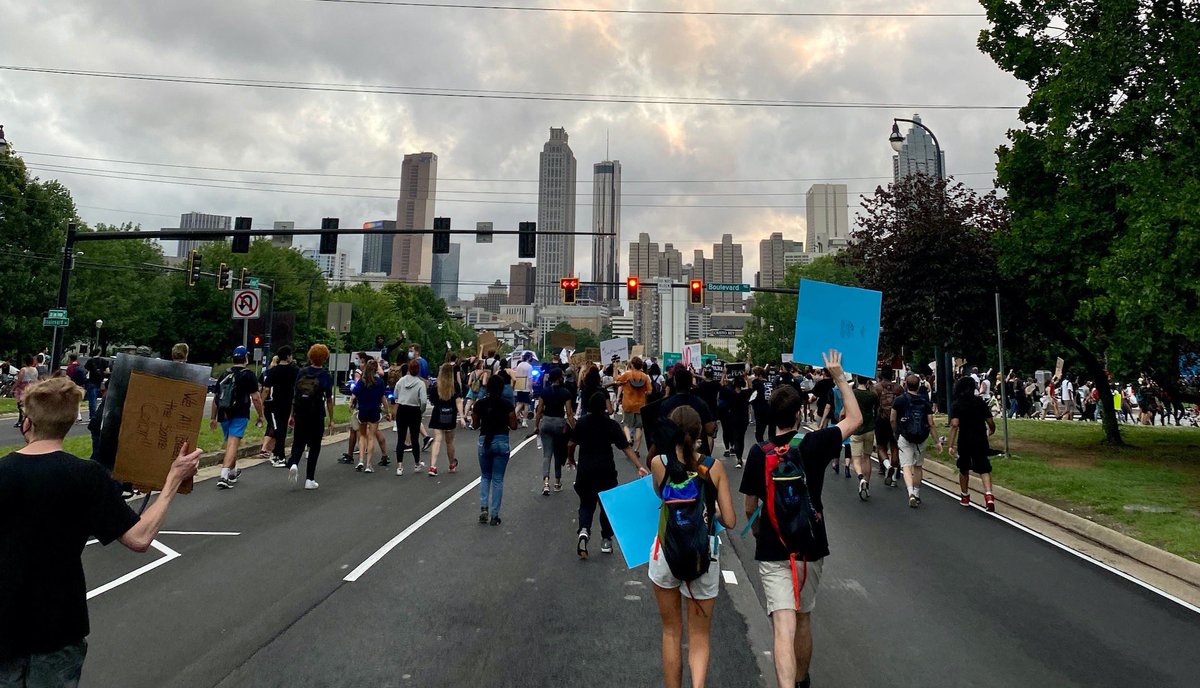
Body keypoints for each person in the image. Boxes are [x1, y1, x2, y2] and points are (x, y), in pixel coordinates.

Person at [1, 377, 202, 686]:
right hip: (59, 622)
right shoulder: (86, 476)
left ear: (27, 422)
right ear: (69, 424)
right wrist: (172, 480)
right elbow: (139, 538)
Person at [740, 350, 862, 688]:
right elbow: (854, 420)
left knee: (783, 624)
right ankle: (802, 679)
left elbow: (750, 506)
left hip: (773, 546)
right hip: (809, 545)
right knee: (803, 617)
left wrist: (764, 530)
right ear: (799, 413)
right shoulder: (814, 443)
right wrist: (838, 376)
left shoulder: (758, 453)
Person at [648, 405, 735, 688]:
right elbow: (731, 520)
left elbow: (659, 492)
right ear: (700, 434)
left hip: (666, 552)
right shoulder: (713, 468)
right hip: (702, 554)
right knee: (699, 637)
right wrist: (713, 512)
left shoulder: (659, 464)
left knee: (671, 631)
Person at [569, 390, 648, 558]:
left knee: (586, 504)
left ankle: (584, 531)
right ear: (604, 406)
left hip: (585, 470)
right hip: (606, 471)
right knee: (607, 506)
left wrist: (570, 459)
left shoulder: (582, 423)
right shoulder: (611, 425)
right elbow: (626, 447)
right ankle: (606, 540)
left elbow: (571, 443)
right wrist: (639, 466)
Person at [209, 346, 264, 490]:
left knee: (230, 443)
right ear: (246, 358)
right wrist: (261, 415)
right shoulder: (248, 374)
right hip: (240, 413)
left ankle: (232, 471)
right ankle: (224, 475)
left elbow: (216, 398)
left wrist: (213, 418)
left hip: (223, 413)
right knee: (233, 443)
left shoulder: (224, 373)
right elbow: (256, 397)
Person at [945, 376, 997, 511]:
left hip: (965, 439)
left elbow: (955, 425)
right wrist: (991, 429)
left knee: (964, 468)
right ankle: (989, 496)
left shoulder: (957, 404)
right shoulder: (980, 402)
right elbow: (990, 421)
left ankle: (965, 496)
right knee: (984, 467)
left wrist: (950, 445)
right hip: (980, 437)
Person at [287, 344, 335, 490]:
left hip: (301, 411)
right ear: (325, 358)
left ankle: (294, 462)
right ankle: (310, 479)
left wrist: (292, 414)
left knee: (298, 441)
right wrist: (331, 419)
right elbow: (329, 399)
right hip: (317, 413)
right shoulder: (326, 376)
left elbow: (295, 395)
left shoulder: (302, 372)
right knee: (314, 446)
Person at [471, 375, 517, 526]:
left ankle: (484, 507)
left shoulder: (480, 404)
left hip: (485, 441)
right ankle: (494, 515)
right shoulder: (507, 404)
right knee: (498, 479)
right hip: (501, 440)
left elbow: (476, 424)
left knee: (485, 476)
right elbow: (514, 424)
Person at [891, 373, 941, 508]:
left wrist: (896, 432)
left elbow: (892, 419)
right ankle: (917, 493)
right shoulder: (925, 402)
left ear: (905, 385)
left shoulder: (899, 400)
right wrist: (937, 441)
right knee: (918, 466)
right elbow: (931, 423)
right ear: (919, 386)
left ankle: (910, 492)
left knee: (906, 466)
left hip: (905, 436)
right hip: (921, 437)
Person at [657, 368, 717, 456]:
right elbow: (709, 429)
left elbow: (661, 432)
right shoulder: (700, 403)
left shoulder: (665, 404)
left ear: (675, 383)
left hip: (672, 453)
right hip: (697, 452)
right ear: (690, 384)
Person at [534, 367, 574, 495]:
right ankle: (557, 482)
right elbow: (569, 413)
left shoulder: (544, 392)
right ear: (559, 378)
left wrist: (536, 426)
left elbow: (539, 410)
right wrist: (574, 427)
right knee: (558, 453)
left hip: (546, 422)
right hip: (559, 424)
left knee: (547, 455)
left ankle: (546, 483)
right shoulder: (565, 392)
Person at [262, 346, 298, 468]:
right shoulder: (294, 370)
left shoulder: (273, 371)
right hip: (288, 402)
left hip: (275, 402)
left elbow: (266, 388)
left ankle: (280, 455)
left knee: (278, 428)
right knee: (283, 427)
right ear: (288, 356)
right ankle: (278, 454)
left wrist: (261, 402)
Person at [351, 359, 388, 473]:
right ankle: (368, 464)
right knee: (371, 437)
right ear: (376, 369)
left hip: (363, 411)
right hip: (374, 411)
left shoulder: (361, 382)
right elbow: (383, 398)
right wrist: (387, 411)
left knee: (362, 436)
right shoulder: (379, 382)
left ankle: (361, 460)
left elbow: (354, 394)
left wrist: (351, 404)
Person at [393, 359, 428, 476]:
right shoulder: (420, 383)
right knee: (414, 438)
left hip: (402, 409)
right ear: (418, 371)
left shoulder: (401, 381)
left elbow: (395, 394)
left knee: (401, 438)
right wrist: (421, 410)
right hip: (414, 410)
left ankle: (399, 466)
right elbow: (423, 401)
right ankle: (417, 463)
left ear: (408, 369)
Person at [612, 356, 652, 456]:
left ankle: (629, 439)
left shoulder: (627, 374)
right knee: (639, 427)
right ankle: (636, 450)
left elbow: (616, 379)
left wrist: (615, 367)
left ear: (632, 365)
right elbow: (650, 391)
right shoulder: (645, 377)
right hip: (640, 405)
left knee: (626, 424)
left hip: (628, 403)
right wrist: (643, 392)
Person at [849, 375, 880, 501]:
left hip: (857, 429)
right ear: (867, 381)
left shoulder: (853, 393)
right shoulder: (873, 395)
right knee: (867, 458)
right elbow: (876, 410)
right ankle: (867, 483)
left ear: (857, 380)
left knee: (856, 459)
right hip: (869, 428)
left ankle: (860, 477)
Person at [428, 362, 461, 476]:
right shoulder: (455, 385)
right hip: (450, 415)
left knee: (437, 440)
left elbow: (432, 400)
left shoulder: (436, 386)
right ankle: (451, 464)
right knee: (450, 442)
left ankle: (433, 466)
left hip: (438, 413)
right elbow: (458, 401)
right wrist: (462, 416)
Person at [872, 368, 903, 485]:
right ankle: (894, 477)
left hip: (881, 420)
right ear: (892, 375)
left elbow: (874, 405)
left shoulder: (877, 388)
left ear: (881, 376)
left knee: (881, 446)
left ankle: (886, 465)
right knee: (895, 447)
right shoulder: (899, 388)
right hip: (895, 420)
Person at [718, 372, 752, 469]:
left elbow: (721, 385)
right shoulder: (745, 394)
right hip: (744, 419)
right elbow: (750, 387)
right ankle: (739, 458)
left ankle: (737, 456)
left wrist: (724, 373)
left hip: (732, 418)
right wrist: (746, 377)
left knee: (736, 437)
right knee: (741, 438)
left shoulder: (729, 393)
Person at [83, 348, 106, 420]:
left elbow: (86, 370)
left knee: (92, 400)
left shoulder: (90, 361)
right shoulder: (103, 361)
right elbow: (107, 370)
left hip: (91, 382)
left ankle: (92, 415)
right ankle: (97, 414)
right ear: (99, 353)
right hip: (99, 382)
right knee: (97, 398)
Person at [512, 351, 534, 428]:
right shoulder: (529, 366)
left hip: (519, 384)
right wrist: (531, 390)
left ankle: (512, 417)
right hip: (526, 385)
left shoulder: (519, 365)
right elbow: (530, 379)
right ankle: (524, 421)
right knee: (526, 404)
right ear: (529, 357)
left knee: (519, 403)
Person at [751, 366, 772, 444]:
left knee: (759, 434)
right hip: (772, 411)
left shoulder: (756, 384)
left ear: (759, 375)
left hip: (760, 411)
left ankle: (763, 450)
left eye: (754, 374)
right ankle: (772, 450)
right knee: (772, 434)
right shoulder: (771, 383)